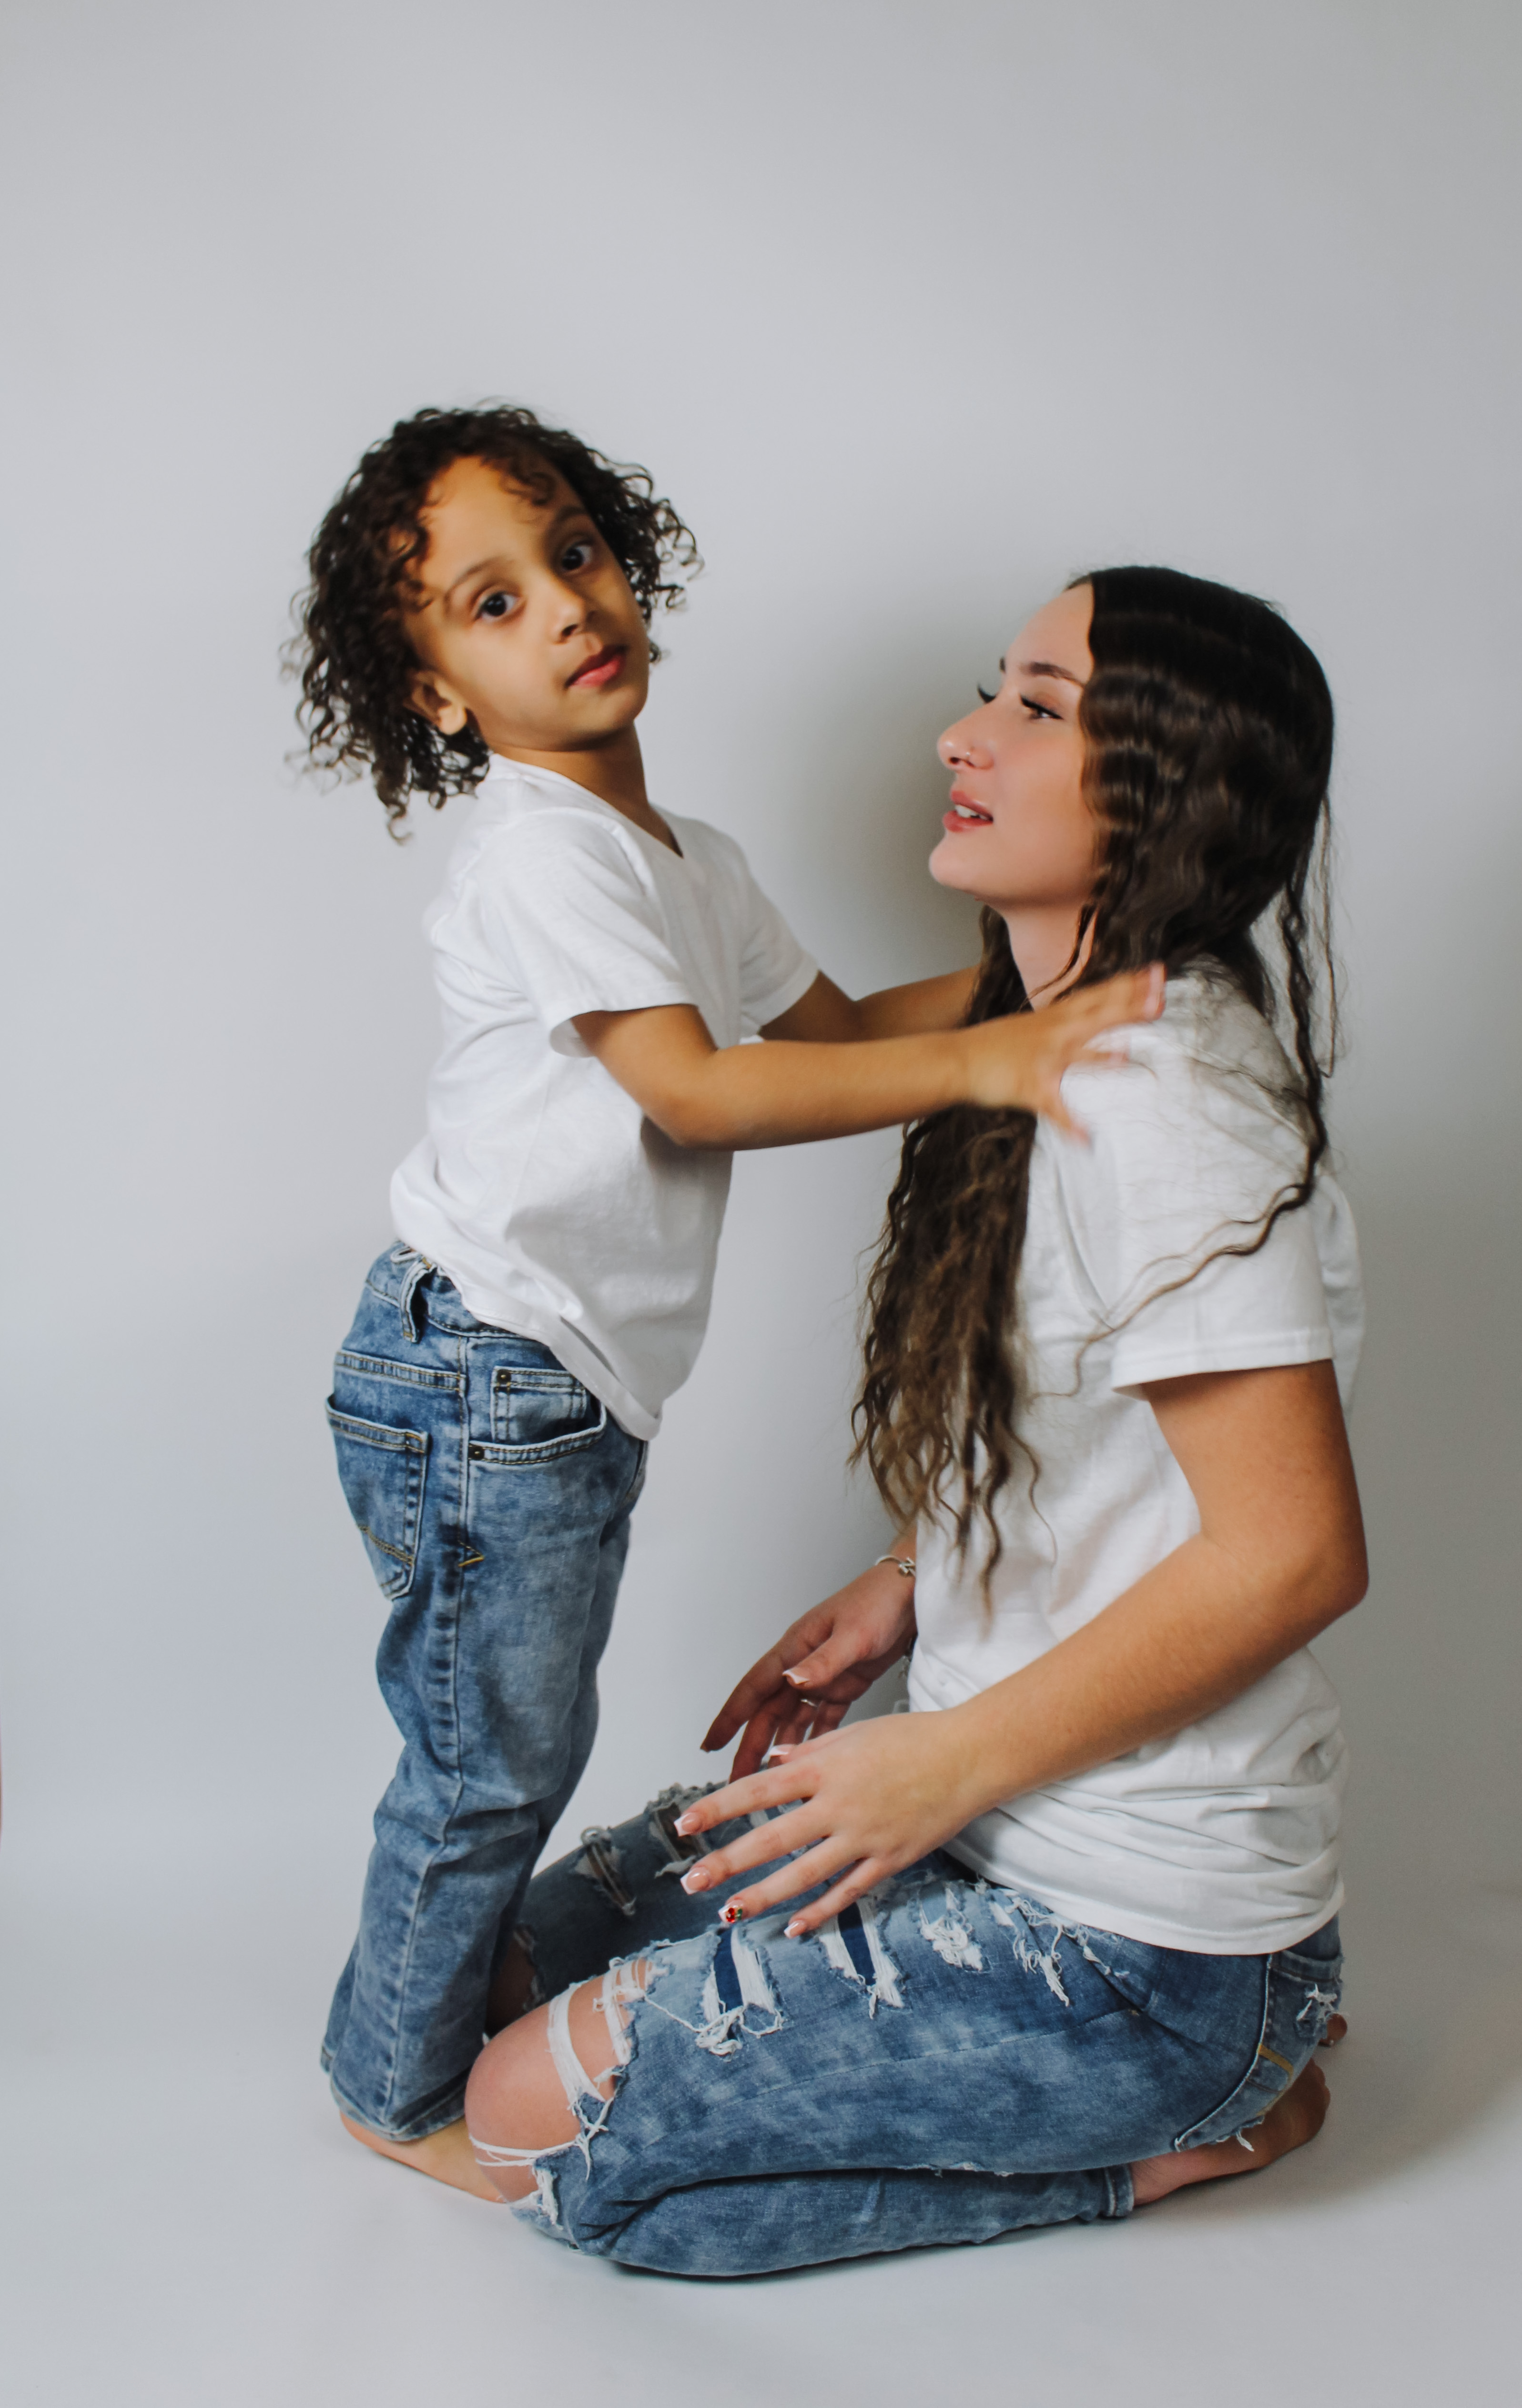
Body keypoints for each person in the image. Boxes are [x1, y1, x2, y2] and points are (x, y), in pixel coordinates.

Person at [461, 564, 1367, 2275]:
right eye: (990, 689)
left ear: (1169, 781)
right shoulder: (1021, 1040)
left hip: (1140, 1939)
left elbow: (1296, 1550)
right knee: (510, 1966)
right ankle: (1187, 2069)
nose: (964, 734)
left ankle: (1208, 2112)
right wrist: (907, 1580)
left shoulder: (1174, 1100)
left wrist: (934, 1758)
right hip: (988, 1818)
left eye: (1039, 705)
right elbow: (1094, 1424)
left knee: (527, 2127)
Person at [293, 408, 1158, 2194]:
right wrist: (1010, 1058)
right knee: (485, 1763)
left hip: (553, 1382)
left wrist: (1063, 956)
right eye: (489, 601)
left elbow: (833, 1039)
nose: (559, 607)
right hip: (478, 1370)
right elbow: (696, 1092)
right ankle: (392, 2092)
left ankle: (434, 2033)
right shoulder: (545, 852)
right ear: (439, 694)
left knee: (518, 1745)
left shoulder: (679, 854)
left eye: (574, 553)